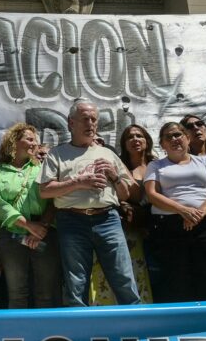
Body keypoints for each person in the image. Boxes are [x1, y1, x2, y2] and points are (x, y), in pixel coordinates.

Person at [39, 99, 141, 307]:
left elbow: (124, 195)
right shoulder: (57, 154)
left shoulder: (108, 153)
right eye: (85, 119)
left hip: (108, 219)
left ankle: (136, 327)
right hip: (71, 221)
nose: (91, 124)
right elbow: (45, 191)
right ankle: (80, 334)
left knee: (123, 277)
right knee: (76, 282)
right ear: (71, 123)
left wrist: (115, 176)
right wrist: (78, 182)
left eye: (94, 119)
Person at [144, 122, 206, 302]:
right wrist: (183, 211)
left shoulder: (205, 161)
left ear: (187, 138)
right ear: (162, 144)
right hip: (170, 229)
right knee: (176, 281)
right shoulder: (155, 166)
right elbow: (152, 194)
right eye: (169, 137)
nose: (174, 139)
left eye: (178, 135)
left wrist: (198, 213)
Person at [0, 123, 60, 308]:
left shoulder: (43, 169)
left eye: (35, 140)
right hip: (12, 235)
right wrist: (28, 226)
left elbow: (54, 201)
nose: (34, 143)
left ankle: (46, 335)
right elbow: (0, 205)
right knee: (17, 293)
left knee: (46, 292)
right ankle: (19, 336)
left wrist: (40, 228)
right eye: (29, 139)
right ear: (14, 142)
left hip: (44, 234)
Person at [91, 125, 155, 304]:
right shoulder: (119, 165)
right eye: (130, 137)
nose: (135, 139)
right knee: (126, 275)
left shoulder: (158, 164)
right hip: (129, 229)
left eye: (139, 135)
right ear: (123, 144)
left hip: (157, 226)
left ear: (147, 140)